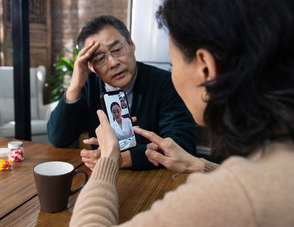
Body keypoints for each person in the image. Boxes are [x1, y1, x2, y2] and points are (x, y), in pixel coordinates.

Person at [70, 0, 294, 226]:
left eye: (173, 62)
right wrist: (200, 165)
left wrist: (109, 158)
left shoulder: (224, 200)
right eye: (99, 58)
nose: (113, 62)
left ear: (206, 68)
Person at [47, 15, 197, 170]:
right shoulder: (88, 86)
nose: (113, 63)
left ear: (131, 45)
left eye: (117, 50)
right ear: (91, 67)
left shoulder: (165, 83)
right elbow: (58, 138)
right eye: (99, 58)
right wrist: (74, 88)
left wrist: (121, 158)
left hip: (155, 180)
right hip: (101, 178)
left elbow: (182, 144)